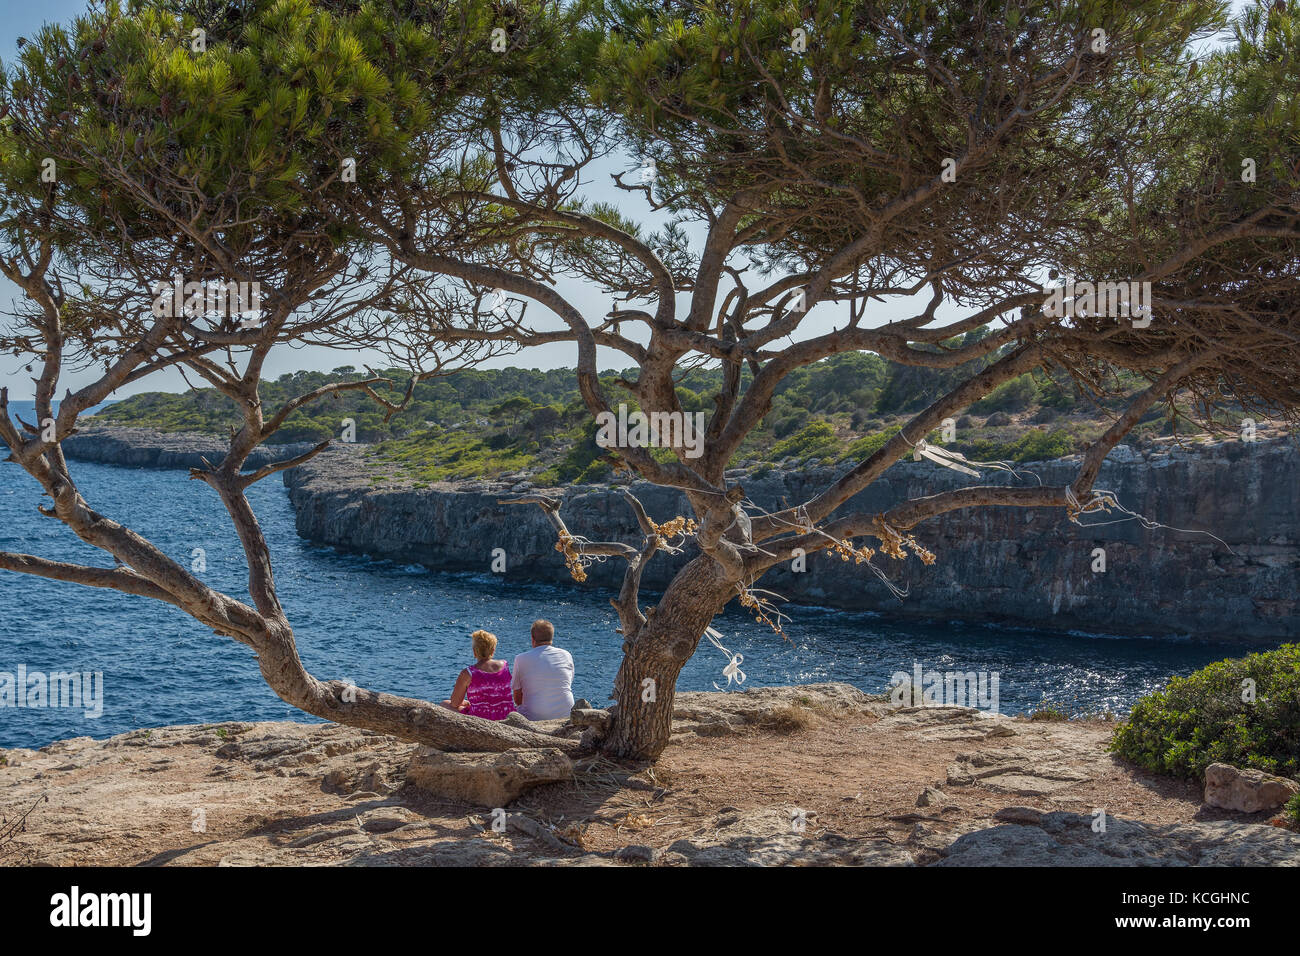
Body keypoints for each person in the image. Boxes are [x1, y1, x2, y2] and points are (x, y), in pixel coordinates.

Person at [441, 629, 516, 720]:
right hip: (507, 714)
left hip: (481, 717)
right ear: (493, 650)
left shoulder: (468, 673)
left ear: (474, 651)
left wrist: (465, 702)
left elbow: (455, 703)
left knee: (444, 704)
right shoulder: (505, 666)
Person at [511, 619, 575, 721]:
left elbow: (517, 698)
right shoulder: (566, 655)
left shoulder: (521, 659)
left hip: (533, 717)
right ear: (551, 638)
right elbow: (567, 683)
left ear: (532, 639)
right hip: (566, 713)